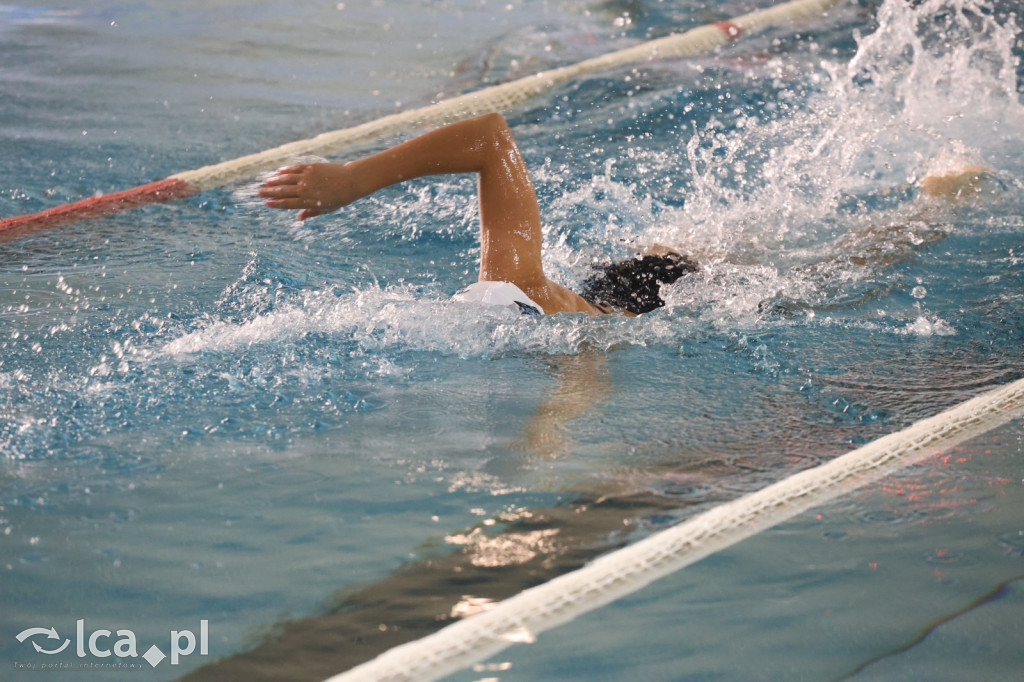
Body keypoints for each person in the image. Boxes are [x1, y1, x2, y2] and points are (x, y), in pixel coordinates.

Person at [259, 113, 990, 316]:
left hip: (680, 298)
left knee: (848, 268)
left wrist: (350, 181)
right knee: (748, 237)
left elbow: (490, 133)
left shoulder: (532, 295)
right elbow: (487, 139)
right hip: (635, 276)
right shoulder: (503, 282)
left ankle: (933, 204)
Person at [258, 113, 697, 316]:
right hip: (613, 299)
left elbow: (491, 136)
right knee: (687, 253)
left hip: (643, 308)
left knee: (697, 262)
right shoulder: (514, 289)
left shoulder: (518, 294)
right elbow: (490, 137)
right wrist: (352, 181)